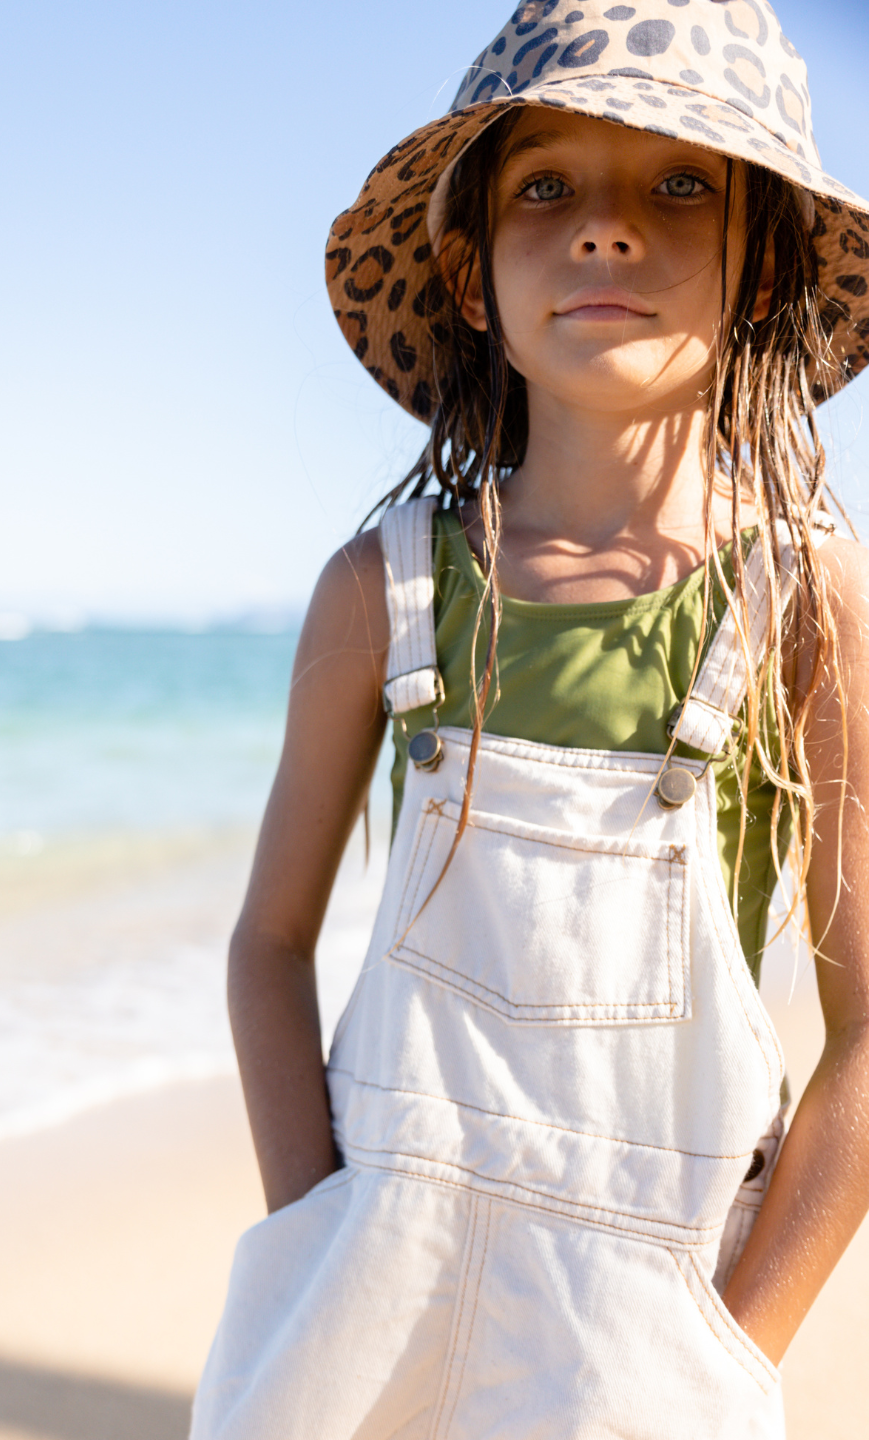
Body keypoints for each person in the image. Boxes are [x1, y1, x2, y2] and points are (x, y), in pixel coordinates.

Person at [192, 3, 869, 1435]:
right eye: (545, 188)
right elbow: (265, 944)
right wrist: (318, 1237)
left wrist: (737, 1353)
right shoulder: (384, 592)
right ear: (469, 265)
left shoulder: (805, 599)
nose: (607, 231)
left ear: (763, 263)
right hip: (355, 1318)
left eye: (680, 182)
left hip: (645, 1350)